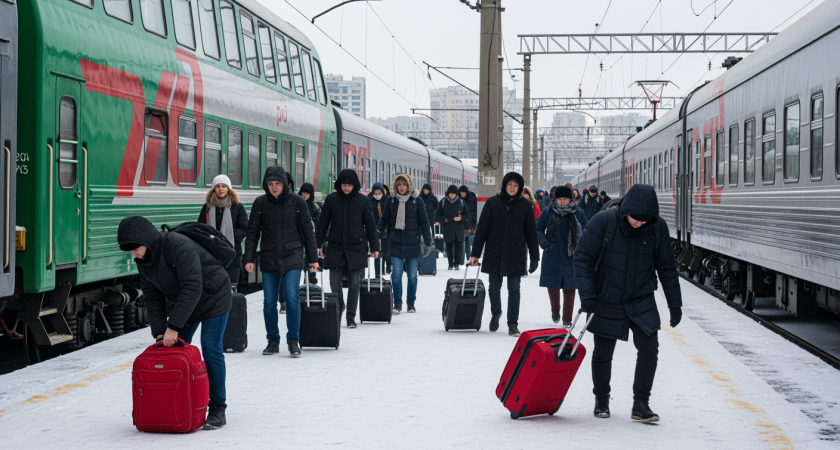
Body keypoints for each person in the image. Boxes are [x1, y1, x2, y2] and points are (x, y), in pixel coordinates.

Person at [573, 184, 682, 423]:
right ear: (626, 210)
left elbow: (666, 267)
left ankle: (641, 403)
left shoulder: (656, 227)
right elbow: (582, 258)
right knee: (603, 352)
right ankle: (601, 399)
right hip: (606, 296)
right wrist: (588, 296)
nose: (639, 223)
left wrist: (675, 304)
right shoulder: (604, 222)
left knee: (649, 348)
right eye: (636, 219)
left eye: (645, 221)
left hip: (641, 297)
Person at [118, 215, 232, 429]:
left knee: (210, 348)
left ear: (147, 240)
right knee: (172, 351)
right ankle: (178, 403)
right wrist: (161, 332)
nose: (133, 254)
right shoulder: (144, 260)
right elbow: (152, 297)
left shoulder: (177, 245)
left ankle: (218, 407)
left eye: (135, 248)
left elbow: (193, 286)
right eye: (130, 250)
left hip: (214, 296)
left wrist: (174, 327)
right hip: (187, 303)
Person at [244, 167, 318, 357]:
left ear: (285, 184)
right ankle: (272, 341)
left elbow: (308, 233)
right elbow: (252, 233)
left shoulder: (297, 202)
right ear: (266, 185)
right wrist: (249, 258)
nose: (274, 188)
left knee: (292, 299)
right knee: (269, 302)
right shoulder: (260, 203)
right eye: (270, 184)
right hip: (269, 258)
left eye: (277, 184)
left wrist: (313, 260)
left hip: (292, 256)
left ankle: (293, 341)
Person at [469, 172, 540, 337]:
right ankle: (496, 313)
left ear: (520, 188)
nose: (512, 188)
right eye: (510, 185)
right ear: (504, 185)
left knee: (514, 289)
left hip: (516, 253)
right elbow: (482, 230)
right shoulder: (493, 203)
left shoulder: (524, 206)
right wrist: (475, 254)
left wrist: (535, 257)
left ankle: (513, 324)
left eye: (516, 186)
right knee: (494, 288)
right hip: (495, 252)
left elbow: (531, 233)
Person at [316, 169, 380, 329]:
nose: (346, 188)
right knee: (334, 282)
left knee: (354, 284)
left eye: (349, 185)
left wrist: (374, 247)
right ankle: (340, 305)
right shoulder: (331, 200)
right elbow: (323, 223)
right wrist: (317, 244)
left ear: (354, 185)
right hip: (336, 247)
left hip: (356, 247)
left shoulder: (362, 201)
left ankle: (351, 316)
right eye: (344, 185)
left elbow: (370, 225)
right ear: (339, 184)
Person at [376, 173, 433, 313]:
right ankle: (397, 303)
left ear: (409, 185)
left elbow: (424, 222)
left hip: (413, 242)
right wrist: (376, 234)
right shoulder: (391, 200)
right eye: (399, 184)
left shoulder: (417, 201)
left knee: (412, 275)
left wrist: (428, 241)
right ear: (396, 185)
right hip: (395, 241)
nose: (401, 187)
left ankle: (411, 302)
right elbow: (384, 219)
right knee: (396, 273)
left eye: (404, 184)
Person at [536, 186, 587, 326]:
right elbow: (538, 228)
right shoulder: (548, 211)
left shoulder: (578, 212)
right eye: (559, 199)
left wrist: (581, 247)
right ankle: (555, 310)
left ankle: (567, 319)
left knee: (570, 288)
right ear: (555, 199)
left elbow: (587, 230)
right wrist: (545, 243)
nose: (562, 202)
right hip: (552, 254)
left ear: (571, 199)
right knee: (553, 287)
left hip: (572, 255)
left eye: (565, 199)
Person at [198, 175, 248, 291]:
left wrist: (223, 238)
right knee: (215, 288)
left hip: (232, 254)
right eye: (218, 186)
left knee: (231, 288)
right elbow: (200, 228)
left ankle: (231, 309)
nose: (221, 189)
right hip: (212, 255)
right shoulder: (207, 207)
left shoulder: (238, 207)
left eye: (224, 186)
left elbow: (244, 229)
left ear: (228, 188)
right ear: (214, 189)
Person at [436, 185, 470, 270]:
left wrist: (461, 218)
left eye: (453, 194)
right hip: (447, 228)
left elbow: (468, 216)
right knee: (448, 246)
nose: (451, 196)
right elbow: (437, 214)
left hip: (459, 228)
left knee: (458, 246)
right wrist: (443, 220)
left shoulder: (461, 202)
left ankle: (457, 264)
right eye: (450, 194)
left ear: (456, 194)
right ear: (447, 194)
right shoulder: (443, 202)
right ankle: (450, 263)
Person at [299, 183, 321, 285]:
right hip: (299, 238)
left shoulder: (315, 208)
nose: (304, 195)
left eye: (307, 194)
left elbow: (317, 225)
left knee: (309, 260)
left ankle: (310, 281)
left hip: (311, 238)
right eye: (303, 193)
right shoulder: (296, 203)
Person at [368, 182, 390, 277]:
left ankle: (388, 266)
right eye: (375, 194)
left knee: (386, 252)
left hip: (387, 229)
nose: (377, 196)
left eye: (379, 193)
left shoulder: (388, 200)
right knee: (377, 253)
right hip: (375, 229)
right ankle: (378, 274)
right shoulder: (369, 200)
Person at [458, 185, 477, 264]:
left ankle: (470, 257)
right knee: (464, 240)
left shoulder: (473, 199)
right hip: (462, 222)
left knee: (470, 240)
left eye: (464, 192)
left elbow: (476, 210)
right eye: (461, 193)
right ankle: (464, 258)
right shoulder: (458, 200)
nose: (463, 194)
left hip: (471, 222)